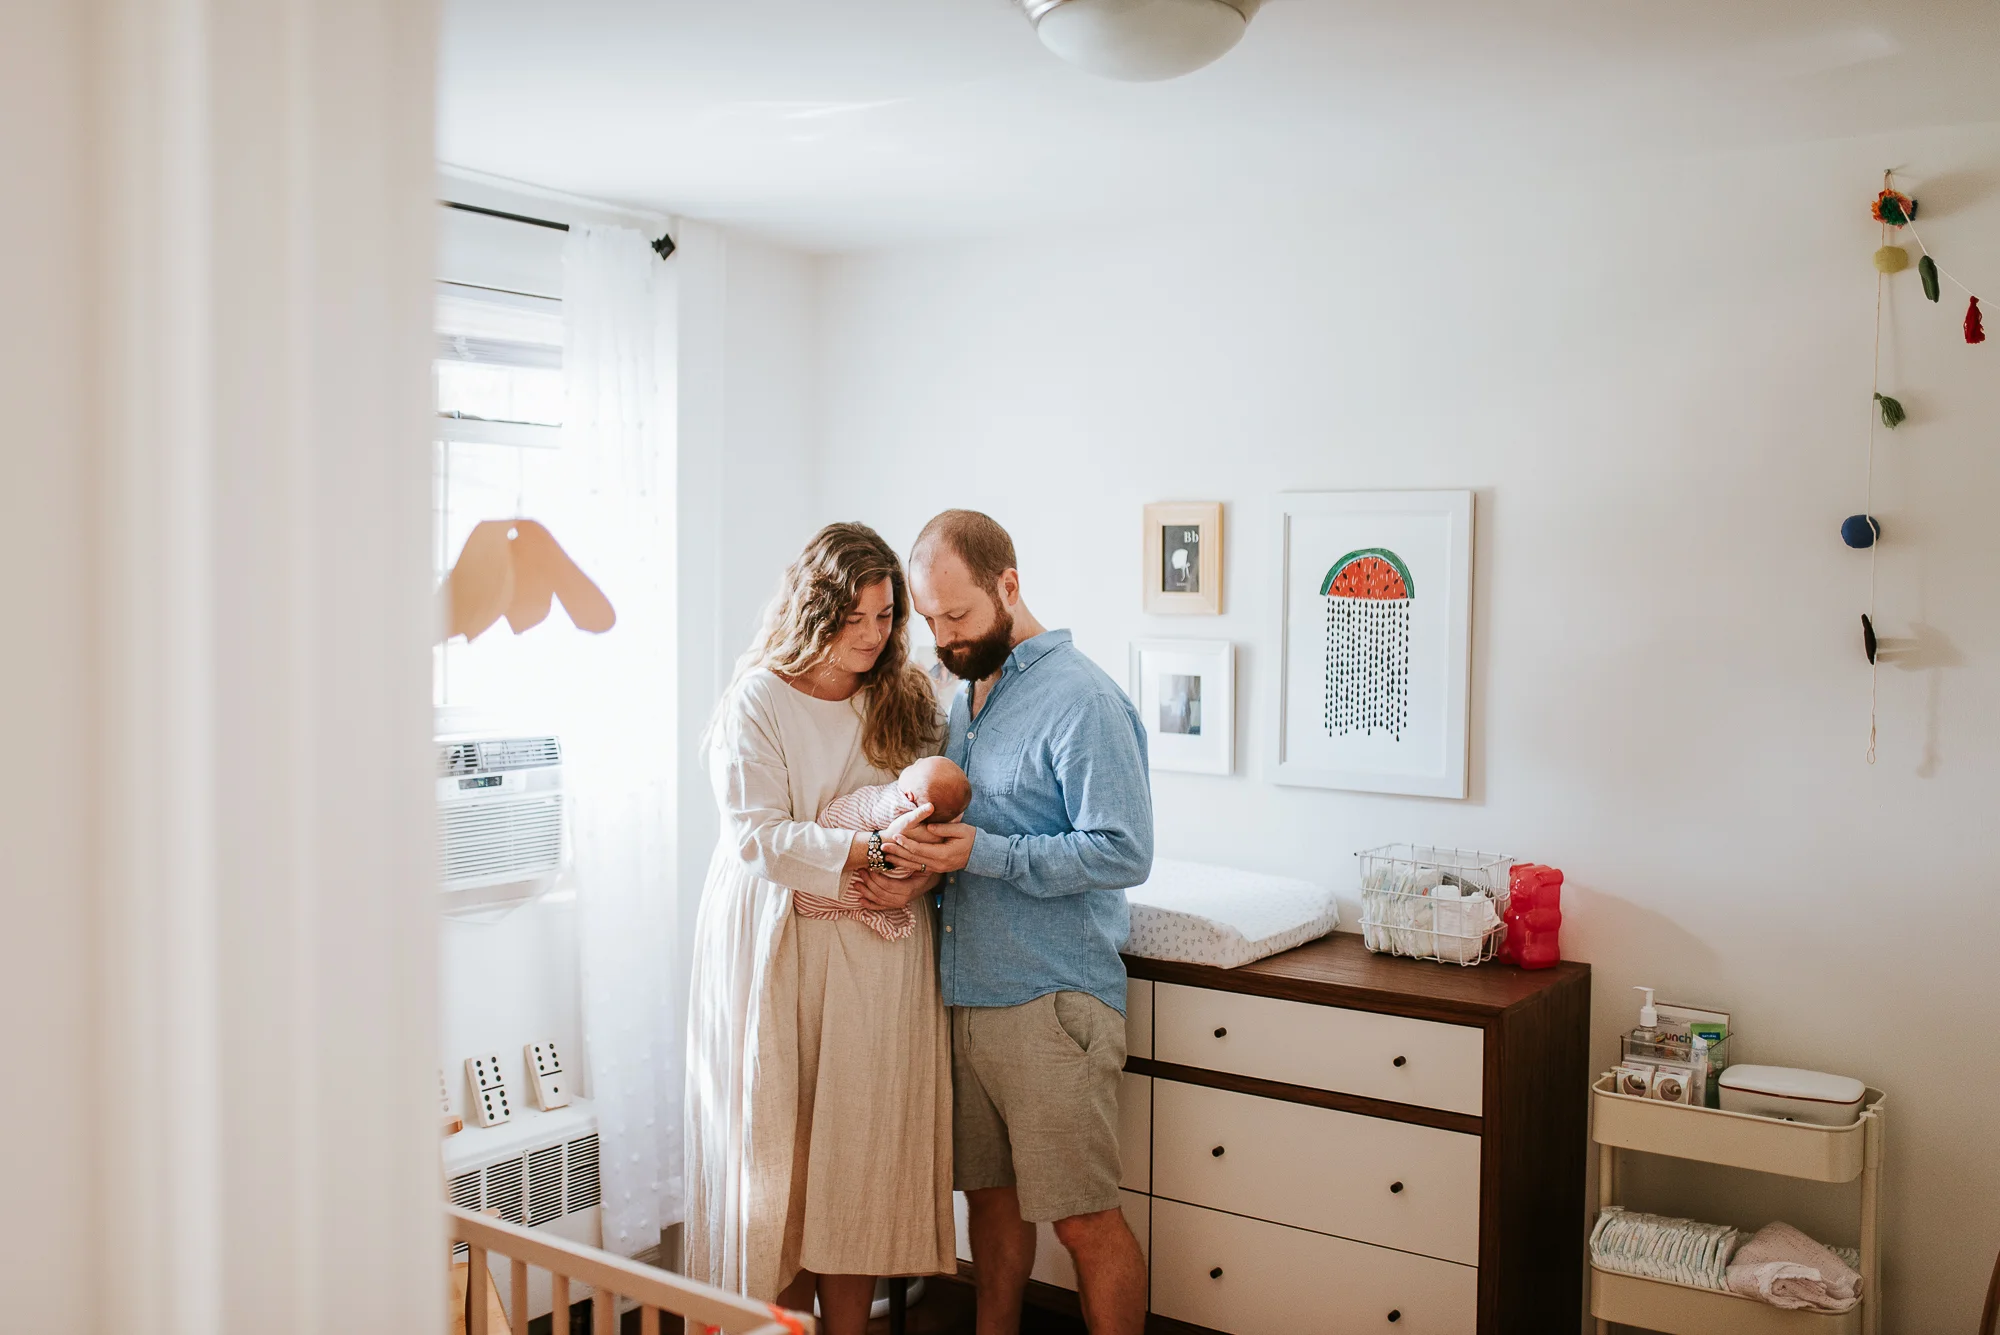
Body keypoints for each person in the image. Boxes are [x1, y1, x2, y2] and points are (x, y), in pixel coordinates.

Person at [683, 522, 956, 1335]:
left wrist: (924, 869)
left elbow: (933, 810)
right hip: (778, 943)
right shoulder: (759, 699)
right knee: (783, 1160)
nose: (874, 635)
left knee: (857, 1156)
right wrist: (869, 847)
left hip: (877, 950)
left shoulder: (900, 694)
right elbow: (758, 836)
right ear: (816, 608)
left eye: (886, 618)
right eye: (858, 618)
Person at [890, 509, 1155, 1335]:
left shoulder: (1082, 699)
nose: (944, 637)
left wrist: (985, 853)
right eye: (929, 619)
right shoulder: (959, 697)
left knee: (1083, 1220)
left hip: (1051, 1001)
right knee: (991, 1214)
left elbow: (1123, 850)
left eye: (958, 616)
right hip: (968, 998)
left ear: (1010, 585)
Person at [800, 756, 975, 941]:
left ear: (910, 797)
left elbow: (878, 813)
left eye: (915, 766)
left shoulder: (896, 805)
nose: (917, 759)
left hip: (857, 872)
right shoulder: (942, 829)